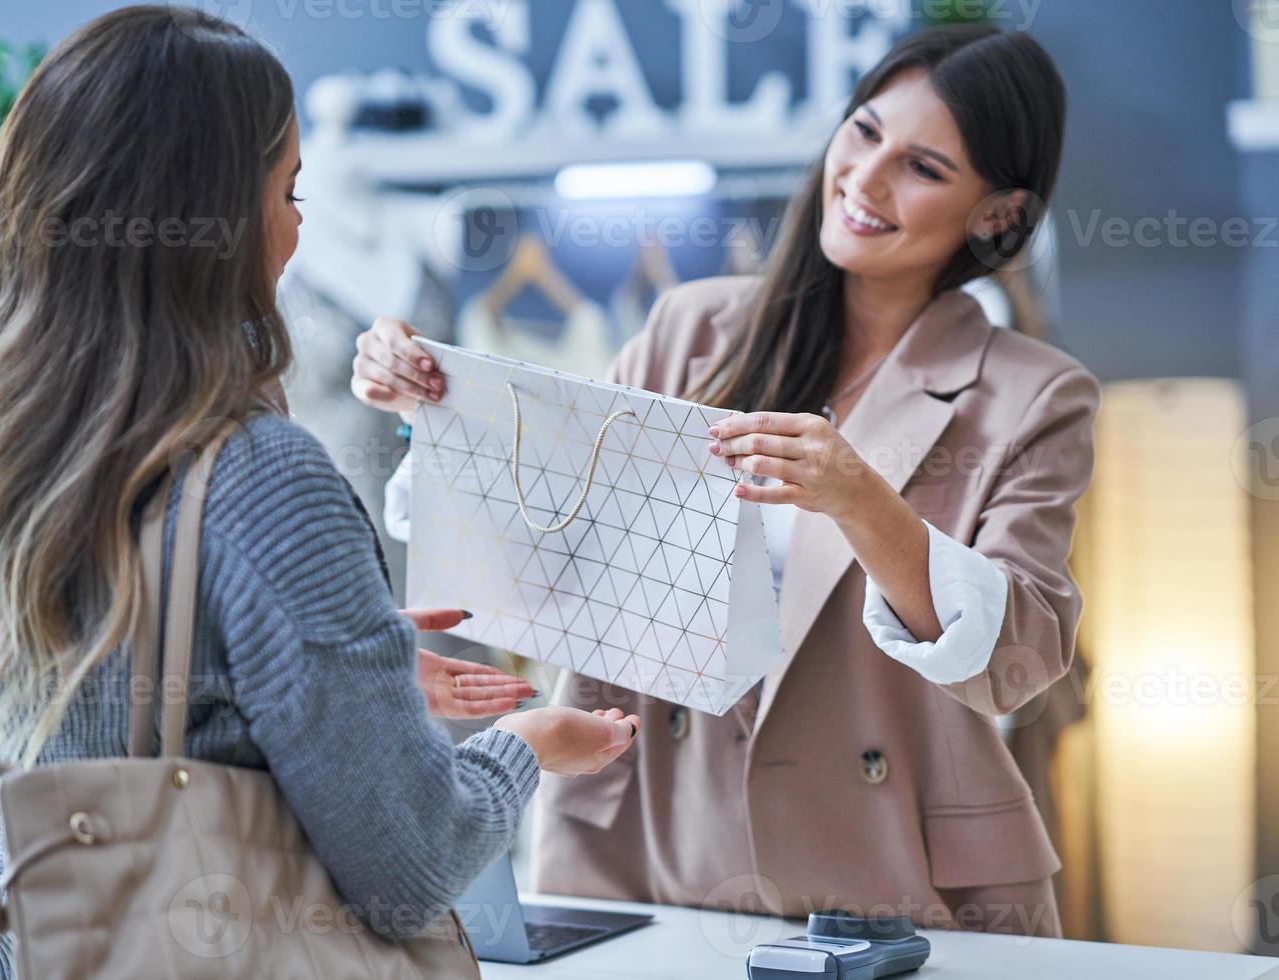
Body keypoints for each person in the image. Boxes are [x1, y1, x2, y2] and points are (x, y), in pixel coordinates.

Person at [0, 8, 638, 978]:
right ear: (209, 223)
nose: (299, 226)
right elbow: (411, 864)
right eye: (288, 189)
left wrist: (334, 683)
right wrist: (521, 744)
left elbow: (28, 730)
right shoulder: (262, 481)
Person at [352, 24, 1095, 937]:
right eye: (862, 132)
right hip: (641, 846)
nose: (863, 179)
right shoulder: (686, 330)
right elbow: (537, 552)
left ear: (995, 213)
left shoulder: (1031, 394)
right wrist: (427, 409)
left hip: (898, 880)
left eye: (922, 168)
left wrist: (862, 502)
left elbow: (1017, 659)